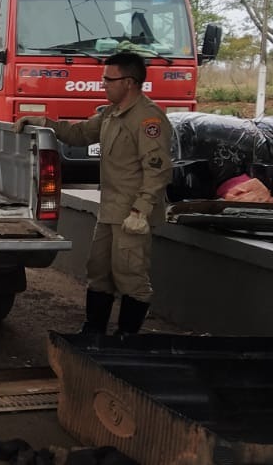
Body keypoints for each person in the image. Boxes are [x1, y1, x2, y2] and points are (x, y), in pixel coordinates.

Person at [14, 51, 171, 337]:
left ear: (130, 82)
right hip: (110, 210)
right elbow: (81, 134)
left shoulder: (148, 120)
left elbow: (158, 170)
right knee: (98, 272)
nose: (104, 85)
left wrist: (141, 210)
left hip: (133, 214)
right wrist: (44, 122)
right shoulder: (111, 114)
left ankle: (127, 338)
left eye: (109, 80)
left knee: (130, 276)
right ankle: (94, 332)